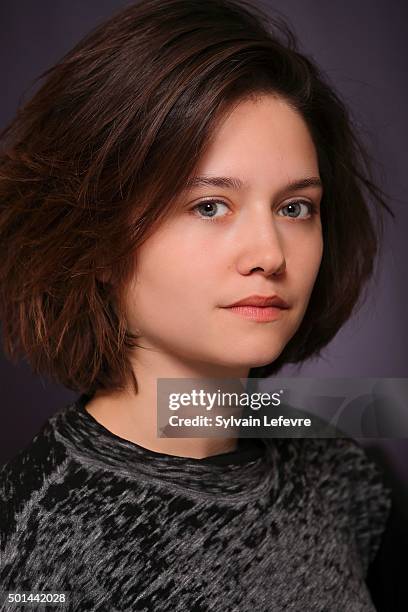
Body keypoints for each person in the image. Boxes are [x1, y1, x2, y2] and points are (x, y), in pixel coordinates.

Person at [0, 0, 396, 610]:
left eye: (295, 208)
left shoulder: (344, 476)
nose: (269, 253)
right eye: (209, 205)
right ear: (98, 239)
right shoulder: (40, 539)